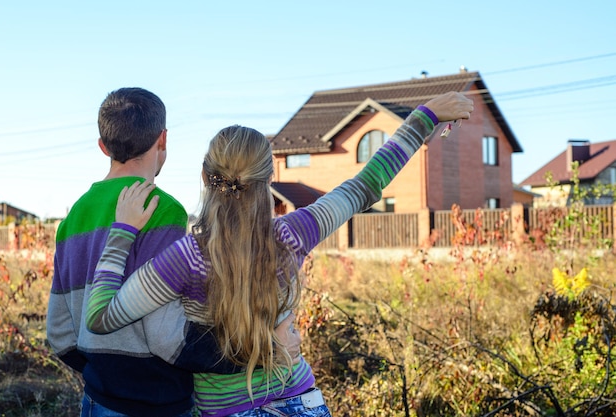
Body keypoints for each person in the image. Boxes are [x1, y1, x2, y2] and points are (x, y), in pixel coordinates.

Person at [85, 91, 474, 416]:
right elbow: (367, 184)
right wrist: (425, 117)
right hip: (301, 400)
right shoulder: (293, 234)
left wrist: (123, 232)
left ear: (205, 177)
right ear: (269, 180)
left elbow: (101, 317)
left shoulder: (185, 258)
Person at [46, 87, 301, 417]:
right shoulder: (163, 210)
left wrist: (104, 371)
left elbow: (59, 332)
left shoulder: (73, 218)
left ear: (103, 146)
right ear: (163, 139)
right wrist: (258, 354)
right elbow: (167, 337)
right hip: (160, 402)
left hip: (98, 400)